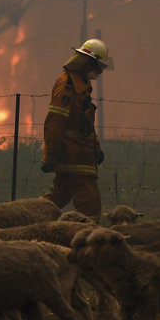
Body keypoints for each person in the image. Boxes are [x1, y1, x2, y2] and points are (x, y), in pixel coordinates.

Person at [40, 38, 113, 222]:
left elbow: (85, 123)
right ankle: (91, 238)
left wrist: (96, 148)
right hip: (72, 156)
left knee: (59, 196)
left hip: (80, 154)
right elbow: (55, 121)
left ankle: (30, 218)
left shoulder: (82, 85)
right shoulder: (67, 85)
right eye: (98, 66)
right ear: (87, 62)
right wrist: (51, 154)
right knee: (90, 202)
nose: (99, 71)